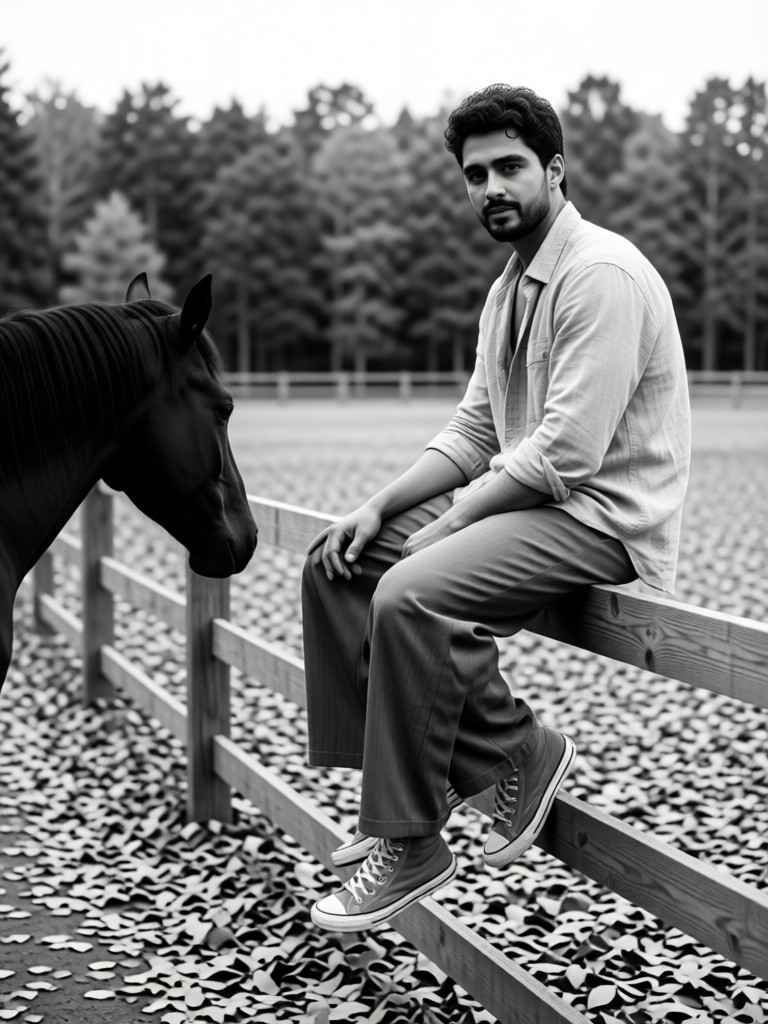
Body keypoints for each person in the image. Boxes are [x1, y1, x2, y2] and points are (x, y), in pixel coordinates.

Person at [301, 84, 691, 932]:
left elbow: (567, 453)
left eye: (510, 167)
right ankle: (423, 777)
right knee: (339, 562)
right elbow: (478, 427)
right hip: (538, 504)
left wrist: (447, 525)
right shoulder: (510, 287)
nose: (492, 189)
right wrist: (380, 507)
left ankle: (412, 840)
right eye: (475, 175)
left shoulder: (602, 276)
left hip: (602, 518)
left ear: (554, 169)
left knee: (411, 590)